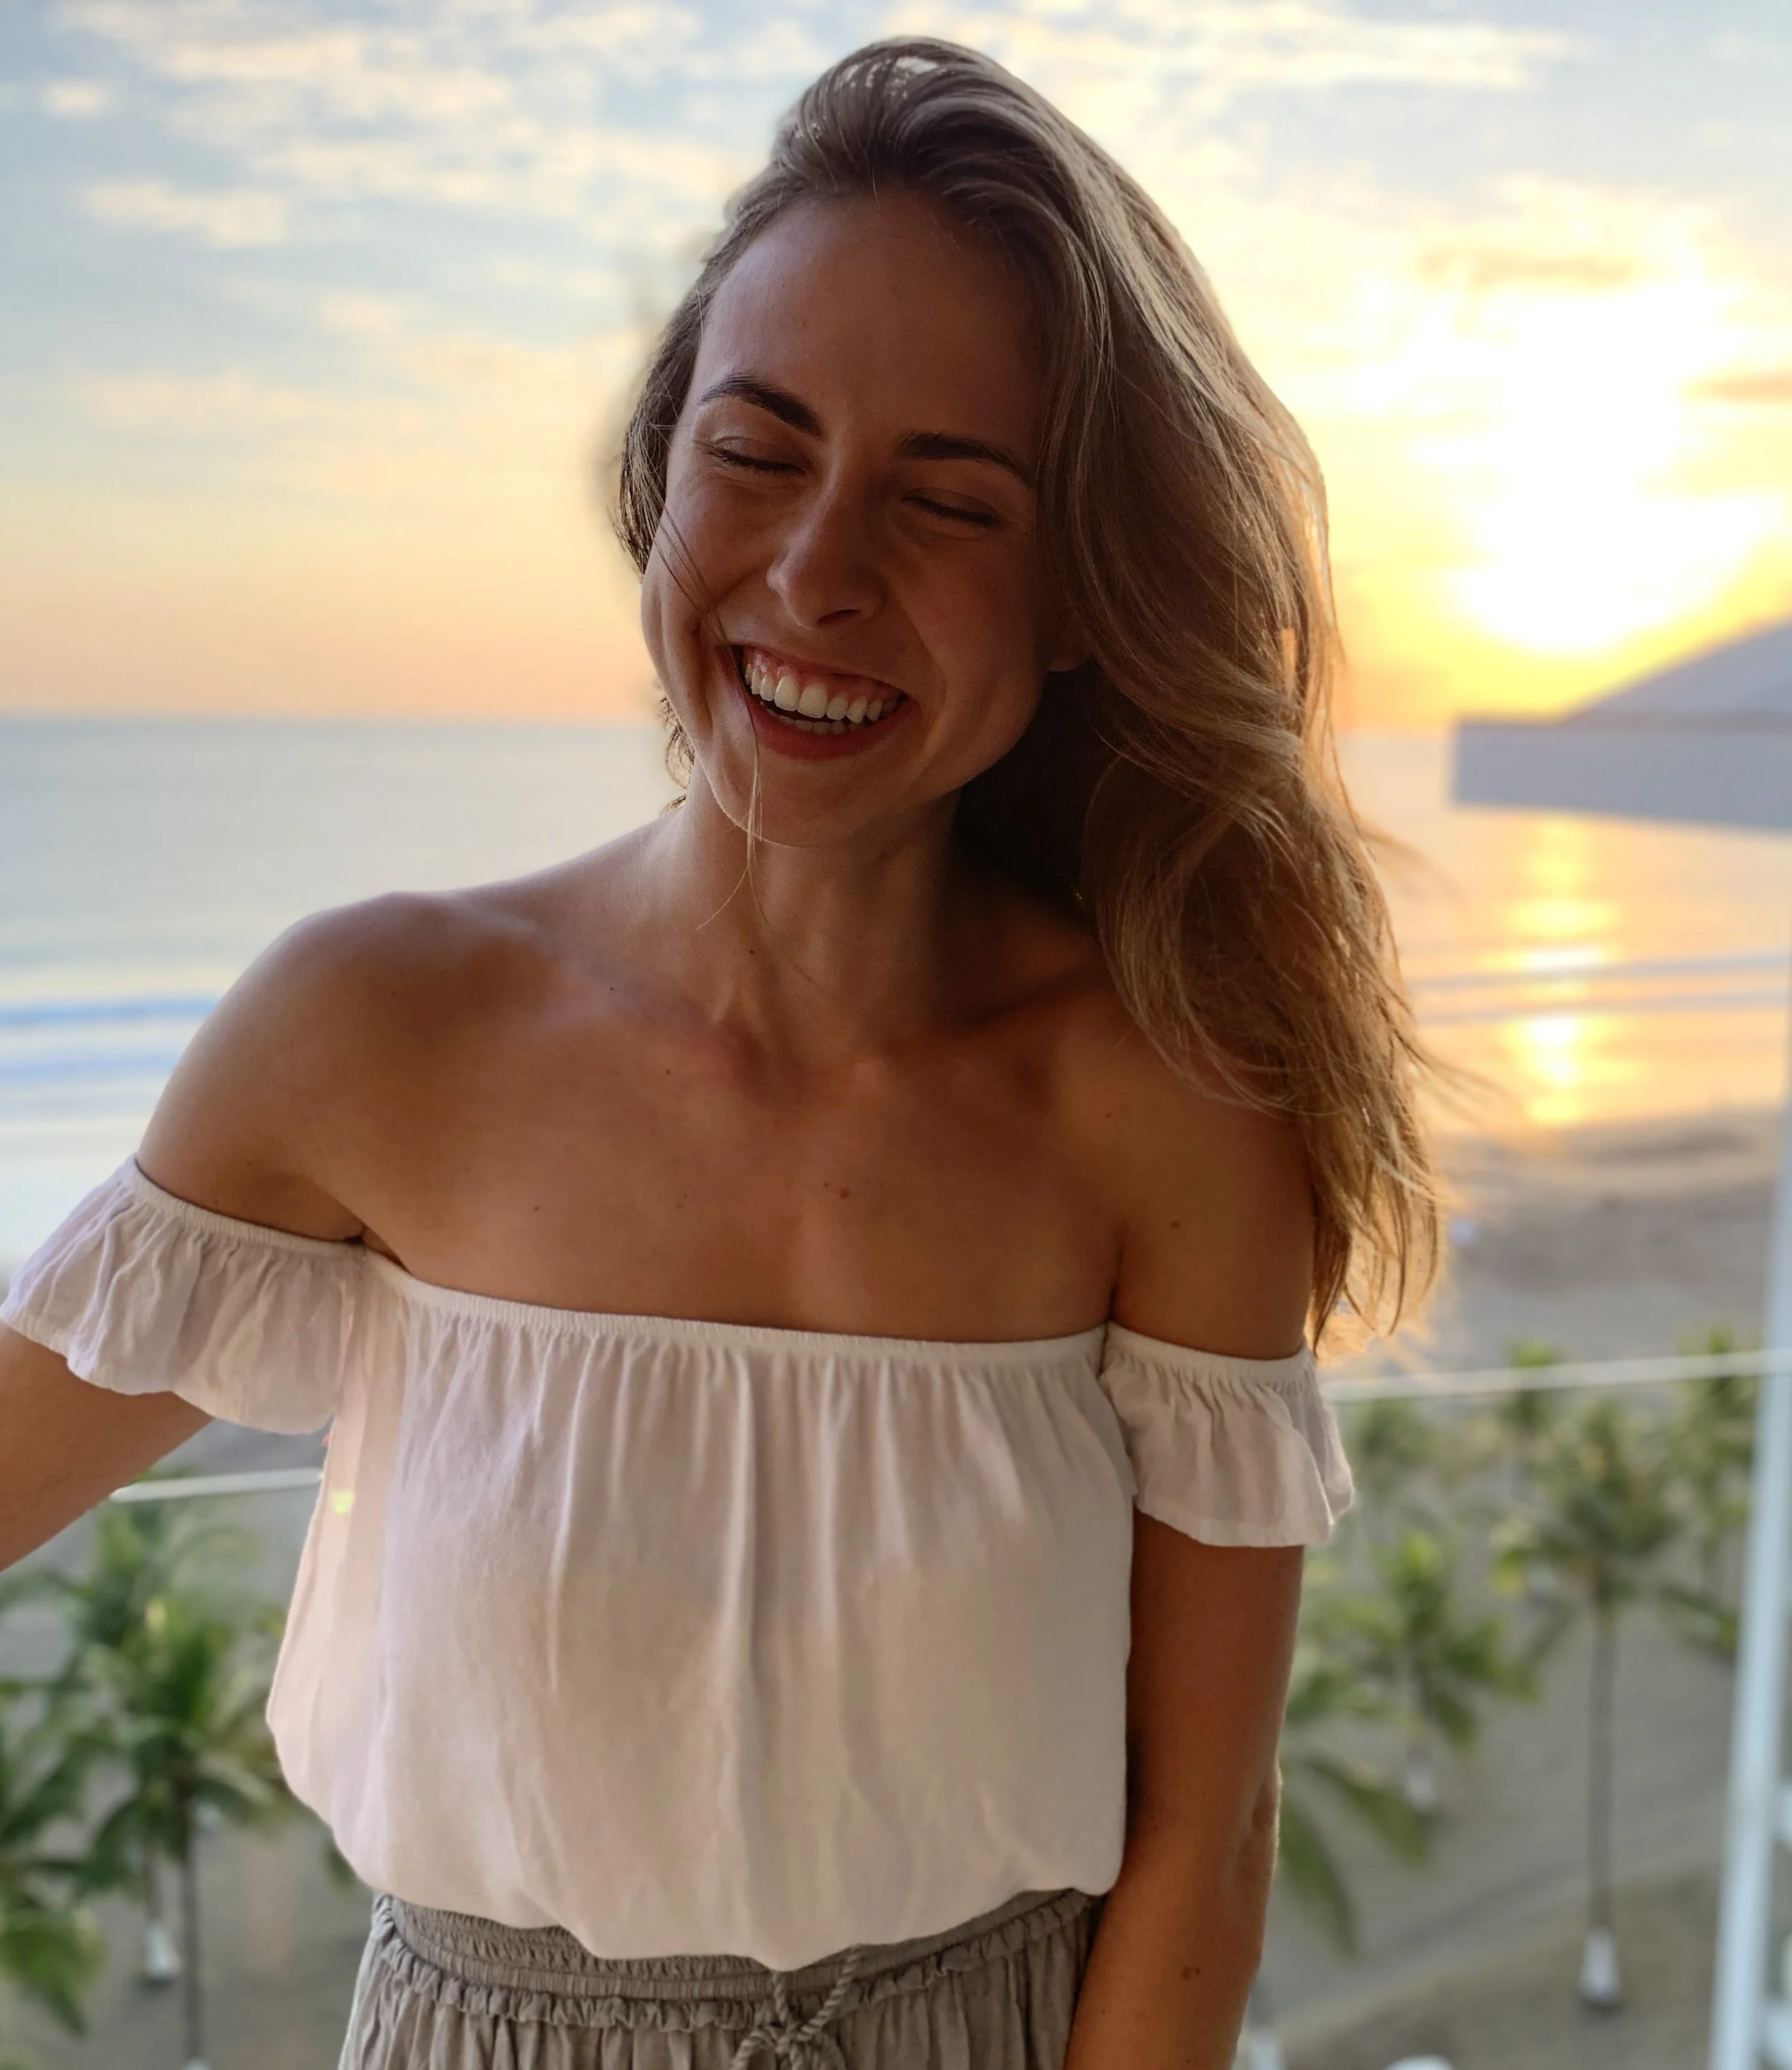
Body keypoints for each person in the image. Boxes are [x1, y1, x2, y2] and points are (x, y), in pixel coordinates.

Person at [0, 37, 1436, 2070]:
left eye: (948, 499)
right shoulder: (373, 1032)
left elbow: (1198, 1839)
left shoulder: (1164, 1105)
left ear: (1076, 599)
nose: (817, 571)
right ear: (655, 476)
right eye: (755, 450)